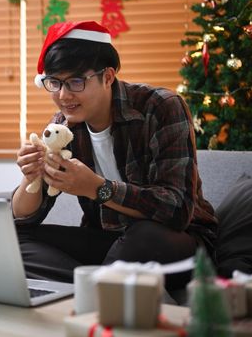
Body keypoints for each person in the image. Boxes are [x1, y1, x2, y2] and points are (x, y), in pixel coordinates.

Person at [12, 20, 217, 291]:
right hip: (108, 241)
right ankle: (97, 288)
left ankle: (90, 287)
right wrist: (31, 178)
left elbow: (176, 209)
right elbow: (25, 217)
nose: (63, 95)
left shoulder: (161, 107)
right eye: (54, 82)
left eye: (75, 81)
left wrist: (97, 188)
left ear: (107, 77)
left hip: (176, 240)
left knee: (145, 236)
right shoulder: (64, 126)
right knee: (12, 240)